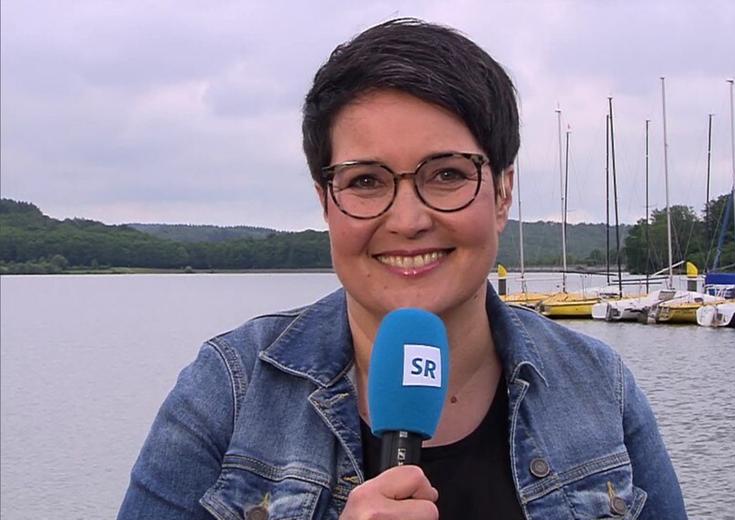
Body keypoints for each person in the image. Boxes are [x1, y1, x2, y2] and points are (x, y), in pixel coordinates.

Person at [118, 18, 686, 519]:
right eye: (366, 181)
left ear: (503, 192)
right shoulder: (230, 389)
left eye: (447, 174)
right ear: (325, 203)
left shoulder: (597, 386)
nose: (409, 220)